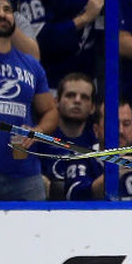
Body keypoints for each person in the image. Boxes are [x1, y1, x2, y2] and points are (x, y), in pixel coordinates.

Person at [0, 0, 57, 201]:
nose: (2, 14)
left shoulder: (31, 66)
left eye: (7, 10)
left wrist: (36, 131)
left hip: (25, 177)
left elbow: (50, 111)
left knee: (37, 233)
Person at [37, 72, 98, 201]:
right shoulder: (40, 140)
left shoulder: (98, 142)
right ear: (56, 102)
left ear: (92, 107)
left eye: (84, 97)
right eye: (70, 95)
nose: (77, 100)